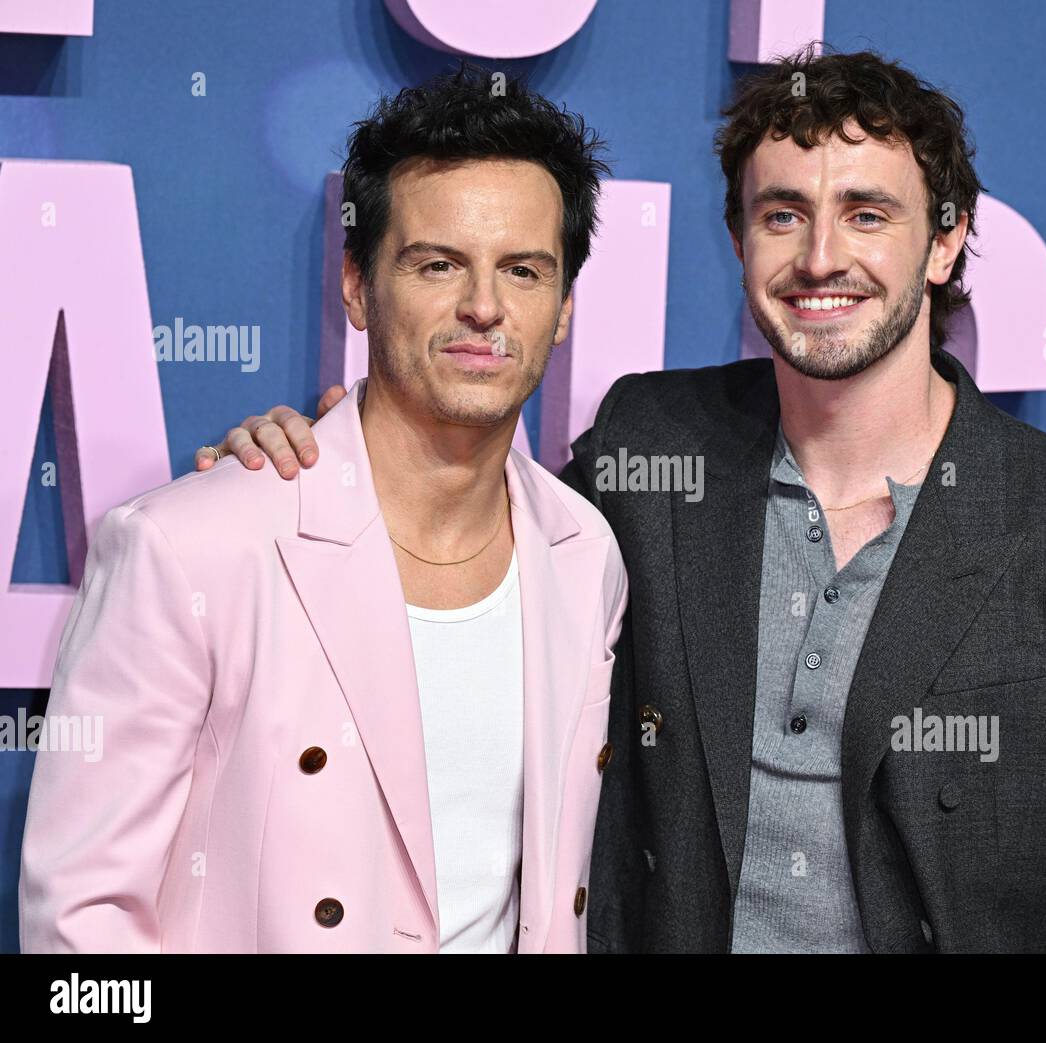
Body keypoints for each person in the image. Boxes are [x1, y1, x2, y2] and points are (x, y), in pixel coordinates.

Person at [199, 47, 1046, 953]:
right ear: (740, 241)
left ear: (945, 244)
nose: (821, 257)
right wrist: (309, 461)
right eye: (783, 214)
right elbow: (465, 520)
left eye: (867, 212)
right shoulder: (652, 446)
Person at [20, 65, 626, 953]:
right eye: (437, 264)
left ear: (565, 306)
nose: (484, 307)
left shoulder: (583, 551)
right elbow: (78, 922)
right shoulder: (190, 549)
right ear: (355, 283)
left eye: (524, 270)